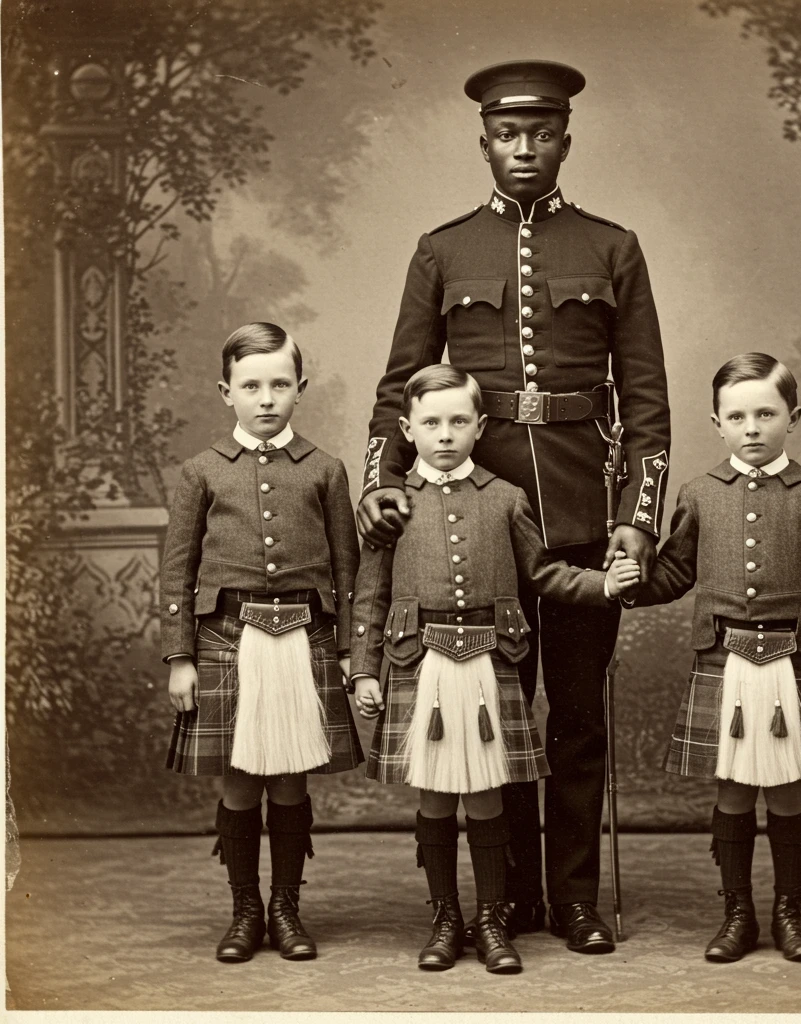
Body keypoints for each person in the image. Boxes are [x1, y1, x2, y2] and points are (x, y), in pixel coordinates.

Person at [355, 59, 671, 953]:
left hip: (579, 513)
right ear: (484, 142)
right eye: (506, 134)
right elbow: (394, 392)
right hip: (474, 521)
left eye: (540, 134)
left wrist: (636, 520)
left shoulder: (613, 246)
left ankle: (572, 901)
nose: (523, 148)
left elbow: (645, 403)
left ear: (565, 142)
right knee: (498, 716)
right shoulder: (442, 248)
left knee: (572, 717)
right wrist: (382, 480)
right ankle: (512, 899)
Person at [350, 365, 638, 973]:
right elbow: (370, 594)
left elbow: (545, 575)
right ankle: (445, 919)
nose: (446, 435)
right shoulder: (393, 506)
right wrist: (364, 671)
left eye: (459, 421)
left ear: (481, 427)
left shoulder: (507, 499)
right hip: (419, 663)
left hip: (487, 663)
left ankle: (491, 920)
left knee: (485, 793)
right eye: (431, 423)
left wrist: (602, 585)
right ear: (407, 429)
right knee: (433, 798)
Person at [621, 352, 801, 963]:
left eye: (765, 413)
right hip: (725, 662)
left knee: (786, 791)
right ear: (717, 423)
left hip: (795, 663)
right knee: (731, 791)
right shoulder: (700, 493)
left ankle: (788, 910)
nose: (751, 428)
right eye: (737, 416)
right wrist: (630, 582)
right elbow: (674, 571)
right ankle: (737, 913)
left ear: (792, 416)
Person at [161, 322, 363, 963]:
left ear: (300, 388)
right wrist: (180, 656)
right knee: (240, 782)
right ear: (227, 391)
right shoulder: (200, 472)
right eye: (251, 385)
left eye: (280, 383)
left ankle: (287, 907)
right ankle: (245, 909)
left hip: (306, 639)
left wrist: (355, 651)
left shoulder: (326, 470)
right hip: (225, 640)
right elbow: (177, 570)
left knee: (292, 782)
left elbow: (348, 568)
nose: (266, 397)